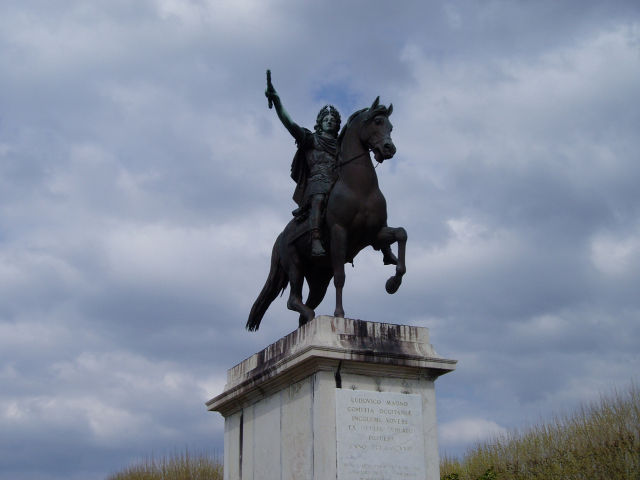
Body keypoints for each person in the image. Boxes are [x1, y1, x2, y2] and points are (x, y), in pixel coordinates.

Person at [265, 79, 340, 257]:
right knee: (319, 198)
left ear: (337, 125)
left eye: (333, 120)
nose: (329, 121)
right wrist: (277, 102)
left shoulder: (340, 145)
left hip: (337, 183)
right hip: (317, 182)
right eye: (326, 119)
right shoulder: (311, 139)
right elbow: (290, 124)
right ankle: (315, 239)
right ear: (320, 123)